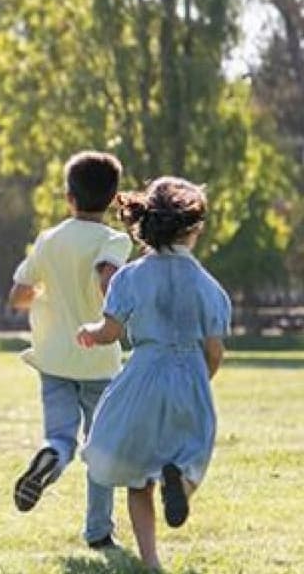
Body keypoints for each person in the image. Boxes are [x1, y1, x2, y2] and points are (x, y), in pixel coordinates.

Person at [78, 176, 231, 569]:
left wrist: (90, 332)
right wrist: (200, 378)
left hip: (143, 376)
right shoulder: (209, 287)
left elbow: (110, 332)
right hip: (190, 377)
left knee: (137, 477)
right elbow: (215, 350)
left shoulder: (129, 276)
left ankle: (151, 562)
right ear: (194, 229)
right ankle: (179, 485)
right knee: (192, 457)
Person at [7, 151, 132, 549]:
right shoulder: (115, 239)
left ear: (68, 198)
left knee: (60, 436)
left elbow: (18, 295)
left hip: (53, 357)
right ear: (113, 199)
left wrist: (49, 294)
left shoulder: (50, 239)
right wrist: (110, 317)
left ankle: (51, 457)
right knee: (101, 448)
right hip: (98, 358)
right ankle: (98, 531)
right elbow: (107, 277)